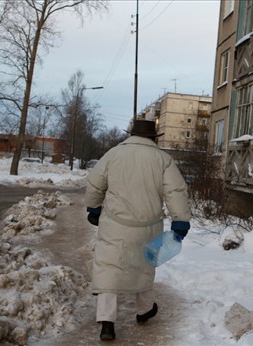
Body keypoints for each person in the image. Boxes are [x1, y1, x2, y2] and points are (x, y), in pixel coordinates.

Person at [85, 119, 191, 341]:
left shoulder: (113, 154)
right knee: (144, 265)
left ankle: (107, 322)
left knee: (109, 268)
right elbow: (175, 191)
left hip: (114, 224)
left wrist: (94, 207)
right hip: (148, 226)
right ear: (153, 137)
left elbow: (95, 182)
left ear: (130, 134)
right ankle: (144, 311)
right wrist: (180, 220)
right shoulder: (163, 159)